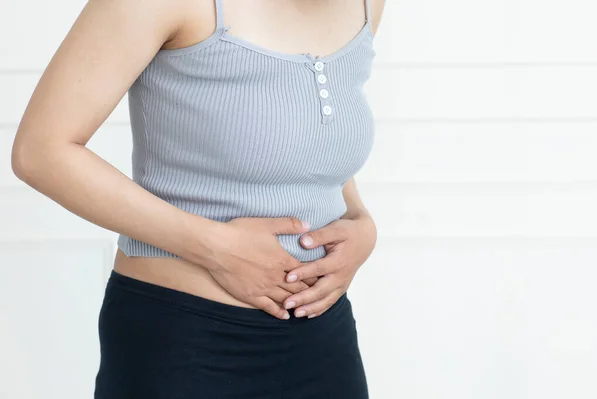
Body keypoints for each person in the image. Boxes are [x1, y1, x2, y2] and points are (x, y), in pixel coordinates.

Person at [11, 0, 386, 397]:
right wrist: (216, 247)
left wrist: (360, 221)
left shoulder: (365, 5)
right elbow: (40, 151)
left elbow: (307, 143)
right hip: (183, 339)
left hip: (323, 340)